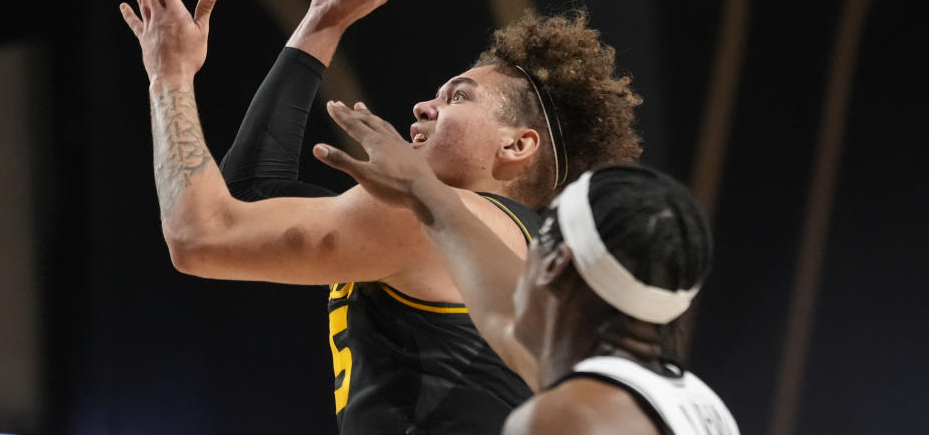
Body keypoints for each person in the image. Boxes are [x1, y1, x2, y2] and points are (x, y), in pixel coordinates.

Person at [118, 0, 643, 434]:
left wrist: (169, 76)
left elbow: (200, 235)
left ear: (516, 145)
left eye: (459, 98)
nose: (424, 106)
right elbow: (252, 197)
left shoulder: (418, 220)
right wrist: (322, 22)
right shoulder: (515, 246)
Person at [315, 103, 739, 434]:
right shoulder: (706, 408)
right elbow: (499, 310)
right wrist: (421, 190)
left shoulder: (563, 420)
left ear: (556, 262)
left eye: (545, 229)